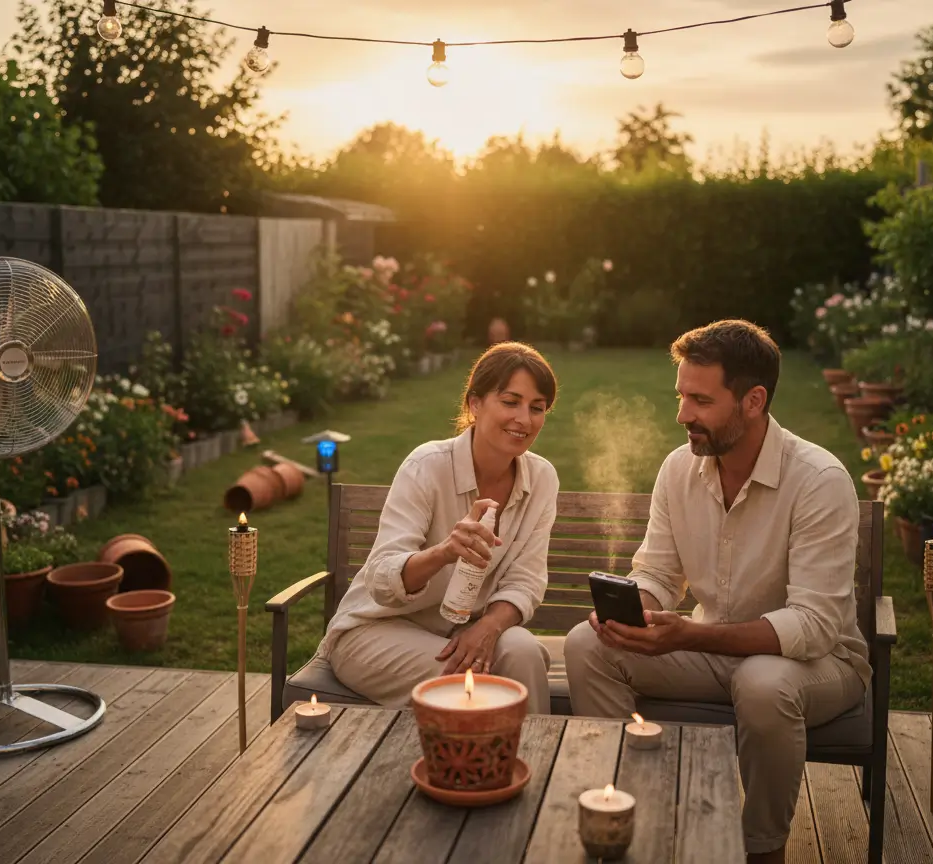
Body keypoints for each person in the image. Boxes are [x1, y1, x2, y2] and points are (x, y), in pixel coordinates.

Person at [564, 320, 868, 864]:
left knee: (763, 683)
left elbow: (814, 626)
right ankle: (633, 805)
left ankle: (762, 849)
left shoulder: (819, 480)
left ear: (754, 401)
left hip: (819, 664)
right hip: (714, 651)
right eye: (681, 396)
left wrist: (690, 636)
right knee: (588, 646)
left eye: (701, 400)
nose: (683, 414)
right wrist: (636, 611)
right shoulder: (679, 469)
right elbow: (658, 573)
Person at [319, 341, 560, 714]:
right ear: (475, 403)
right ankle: (477, 752)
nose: (524, 420)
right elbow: (382, 578)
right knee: (477, 685)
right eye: (510, 402)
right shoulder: (426, 466)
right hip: (376, 630)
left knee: (524, 652)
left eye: (537, 408)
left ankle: (533, 750)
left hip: (460, 630)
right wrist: (445, 551)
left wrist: (489, 627)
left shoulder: (542, 478)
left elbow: (526, 580)